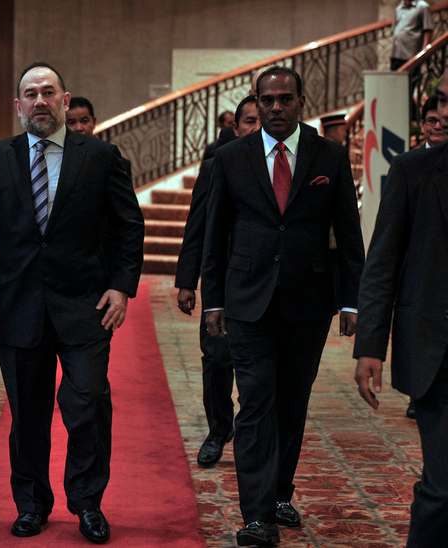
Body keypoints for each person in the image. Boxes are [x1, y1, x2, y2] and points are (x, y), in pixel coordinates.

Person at [0, 62, 144, 543]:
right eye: (30, 94)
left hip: (85, 306)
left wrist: (121, 287)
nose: (39, 101)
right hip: (19, 309)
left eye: (48, 92)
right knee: (28, 416)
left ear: (65, 99)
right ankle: (32, 504)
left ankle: (87, 503)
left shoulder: (100, 156)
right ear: (17, 105)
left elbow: (128, 226)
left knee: (89, 404)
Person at [202, 66, 364, 546]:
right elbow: (216, 234)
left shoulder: (329, 156)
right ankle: (256, 515)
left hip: (309, 302)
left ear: (300, 101)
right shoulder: (231, 158)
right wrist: (214, 299)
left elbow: (348, 235)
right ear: (256, 101)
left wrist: (352, 300)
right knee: (254, 403)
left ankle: (278, 493)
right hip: (247, 301)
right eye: (267, 100)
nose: (275, 107)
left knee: (292, 403)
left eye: (284, 99)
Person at [354, 68, 448, 548]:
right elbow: (382, 262)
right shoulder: (413, 171)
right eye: (442, 100)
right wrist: (371, 343)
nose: (446, 112)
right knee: (443, 487)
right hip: (438, 351)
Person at [175, 94, 260, 469]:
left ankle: (251, 436)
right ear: (235, 127)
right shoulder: (216, 167)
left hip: (265, 284)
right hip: (221, 282)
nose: (255, 128)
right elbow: (198, 226)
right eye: (248, 121)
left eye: (260, 121)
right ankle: (217, 430)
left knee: (259, 368)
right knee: (217, 362)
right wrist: (186, 280)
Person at [390, 1, 433, 71]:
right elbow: (395, 28)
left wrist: (424, 51)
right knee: (395, 79)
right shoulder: (399, 8)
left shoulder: (423, 6)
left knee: (411, 79)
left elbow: (428, 29)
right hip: (396, 53)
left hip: (411, 54)